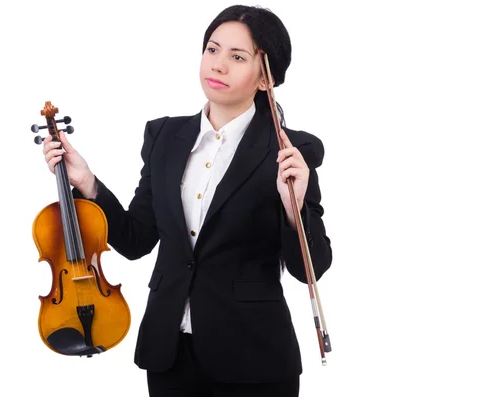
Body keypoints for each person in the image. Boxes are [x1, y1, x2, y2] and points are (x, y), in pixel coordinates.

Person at [42, 5, 332, 396]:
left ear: (266, 79)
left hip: (255, 358)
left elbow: (310, 269)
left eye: (237, 57)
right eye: (212, 50)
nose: (219, 65)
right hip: (170, 354)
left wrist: (294, 209)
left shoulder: (290, 149)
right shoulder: (164, 136)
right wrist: (88, 183)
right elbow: (135, 239)